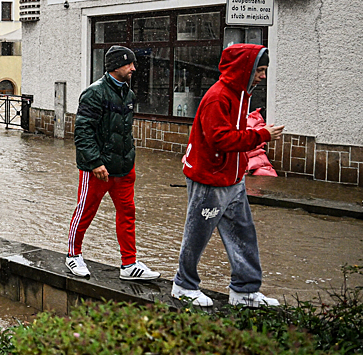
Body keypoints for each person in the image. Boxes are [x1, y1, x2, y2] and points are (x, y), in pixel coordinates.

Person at [171, 44, 284, 308]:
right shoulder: (219, 97)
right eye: (261, 70)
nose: (263, 76)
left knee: (243, 233)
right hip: (210, 181)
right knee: (197, 234)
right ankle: (183, 285)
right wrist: (261, 135)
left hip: (233, 180)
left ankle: (244, 291)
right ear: (246, 70)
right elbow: (219, 139)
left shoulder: (240, 95)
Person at [66, 45, 160, 281]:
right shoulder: (94, 93)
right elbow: (83, 132)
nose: (133, 68)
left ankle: (129, 264)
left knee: (128, 213)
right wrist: (95, 163)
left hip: (124, 168)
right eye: (129, 64)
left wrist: (130, 158)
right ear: (116, 66)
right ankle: (73, 255)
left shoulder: (128, 94)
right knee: (85, 212)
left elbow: (124, 131)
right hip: (98, 170)